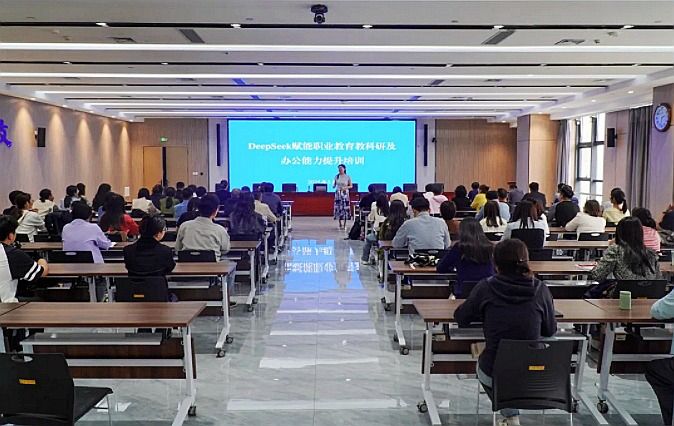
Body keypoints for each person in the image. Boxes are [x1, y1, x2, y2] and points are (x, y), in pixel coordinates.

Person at [454, 238, 556, 426]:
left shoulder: (486, 287)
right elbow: (550, 330)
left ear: (495, 263)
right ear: (526, 260)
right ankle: (511, 415)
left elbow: (461, 317)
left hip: (494, 372)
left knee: (489, 359)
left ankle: (511, 416)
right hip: (534, 374)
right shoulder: (541, 289)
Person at [590, 217, 662, 283]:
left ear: (619, 232)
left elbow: (597, 276)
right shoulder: (651, 253)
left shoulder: (616, 250)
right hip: (649, 292)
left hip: (624, 292)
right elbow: (659, 280)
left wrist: (598, 265)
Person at [437, 218, 495, 298]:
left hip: (464, 292)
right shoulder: (490, 247)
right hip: (488, 291)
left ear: (461, 232)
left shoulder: (459, 248)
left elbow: (441, 268)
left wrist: (453, 268)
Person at [0, 215, 49, 302]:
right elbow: (41, 272)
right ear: (10, 236)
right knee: (42, 299)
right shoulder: (13, 254)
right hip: (5, 305)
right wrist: (42, 260)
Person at [176, 194, 230, 260]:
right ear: (216, 210)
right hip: (212, 265)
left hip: (186, 264)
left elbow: (177, 249)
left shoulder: (184, 226)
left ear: (199, 209)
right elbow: (225, 250)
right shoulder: (220, 230)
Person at [361, 193, 390, 265]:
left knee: (368, 239)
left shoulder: (374, 207)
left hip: (378, 235)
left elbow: (370, 218)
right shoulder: (390, 206)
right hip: (389, 236)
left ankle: (365, 259)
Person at [332, 164, 353, 230]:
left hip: (345, 194)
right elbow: (334, 185)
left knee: (345, 209)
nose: (340, 170)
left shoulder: (347, 177)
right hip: (338, 194)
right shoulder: (336, 176)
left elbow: (351, 186)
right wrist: (334, 185)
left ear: (344, 169)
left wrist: (345, 187)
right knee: (338, 208)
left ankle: (344, 224)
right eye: (339, 168)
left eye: (341, 168)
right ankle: (340, 224)